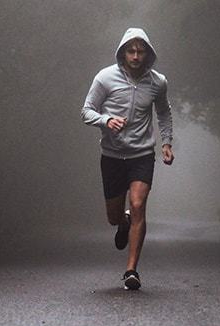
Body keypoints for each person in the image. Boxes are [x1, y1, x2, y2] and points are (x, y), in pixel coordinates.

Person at [81, 28, 174, 291]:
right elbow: (86, 111)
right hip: (111, 156)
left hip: (142, 154)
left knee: (138, 205)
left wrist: (166, 142)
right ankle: (122, 222)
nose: (135, 56)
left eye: (140, 51)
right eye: (131, 51)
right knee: (114, 216)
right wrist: (106, 120)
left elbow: (164, 113)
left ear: (148, 54)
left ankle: (131, 270)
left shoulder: (158, 82)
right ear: (123, 52)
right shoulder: (105, 78)